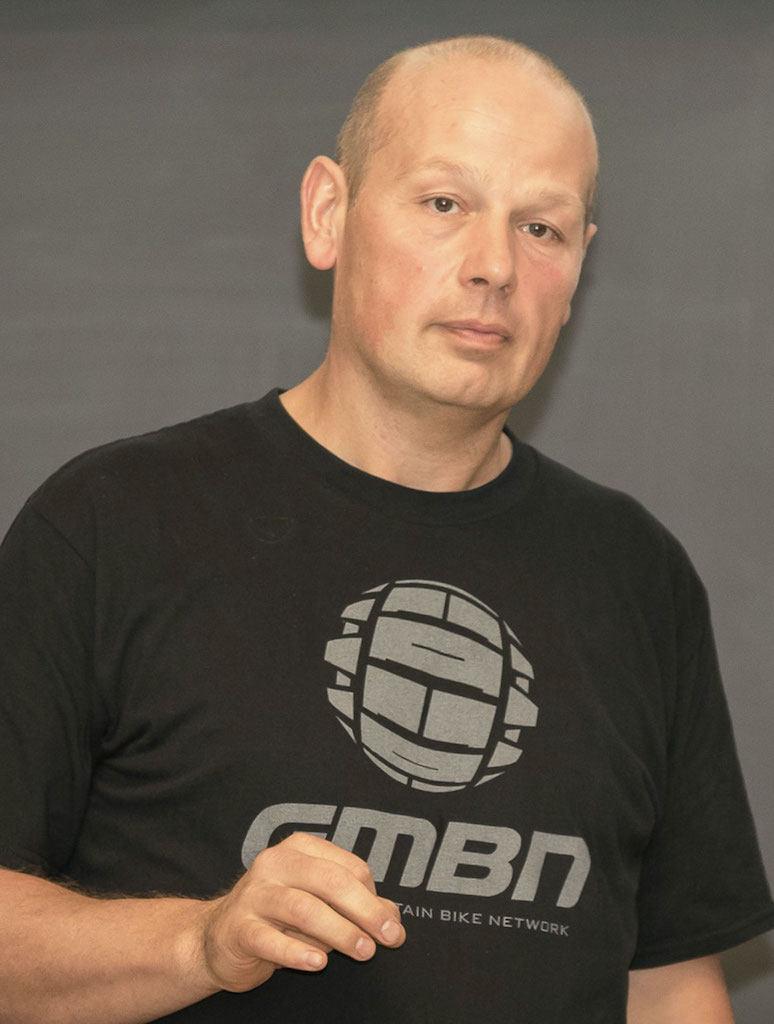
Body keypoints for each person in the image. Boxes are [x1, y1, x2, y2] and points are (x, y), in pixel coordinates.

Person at [0, 33, 772, 1024]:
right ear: (329, 213)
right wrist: (200, 943)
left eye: (541, 227)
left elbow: (666, 986)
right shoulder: (112, 524)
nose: (493, 265)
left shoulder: (638, 576)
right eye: (444, 203)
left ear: (581, 264)